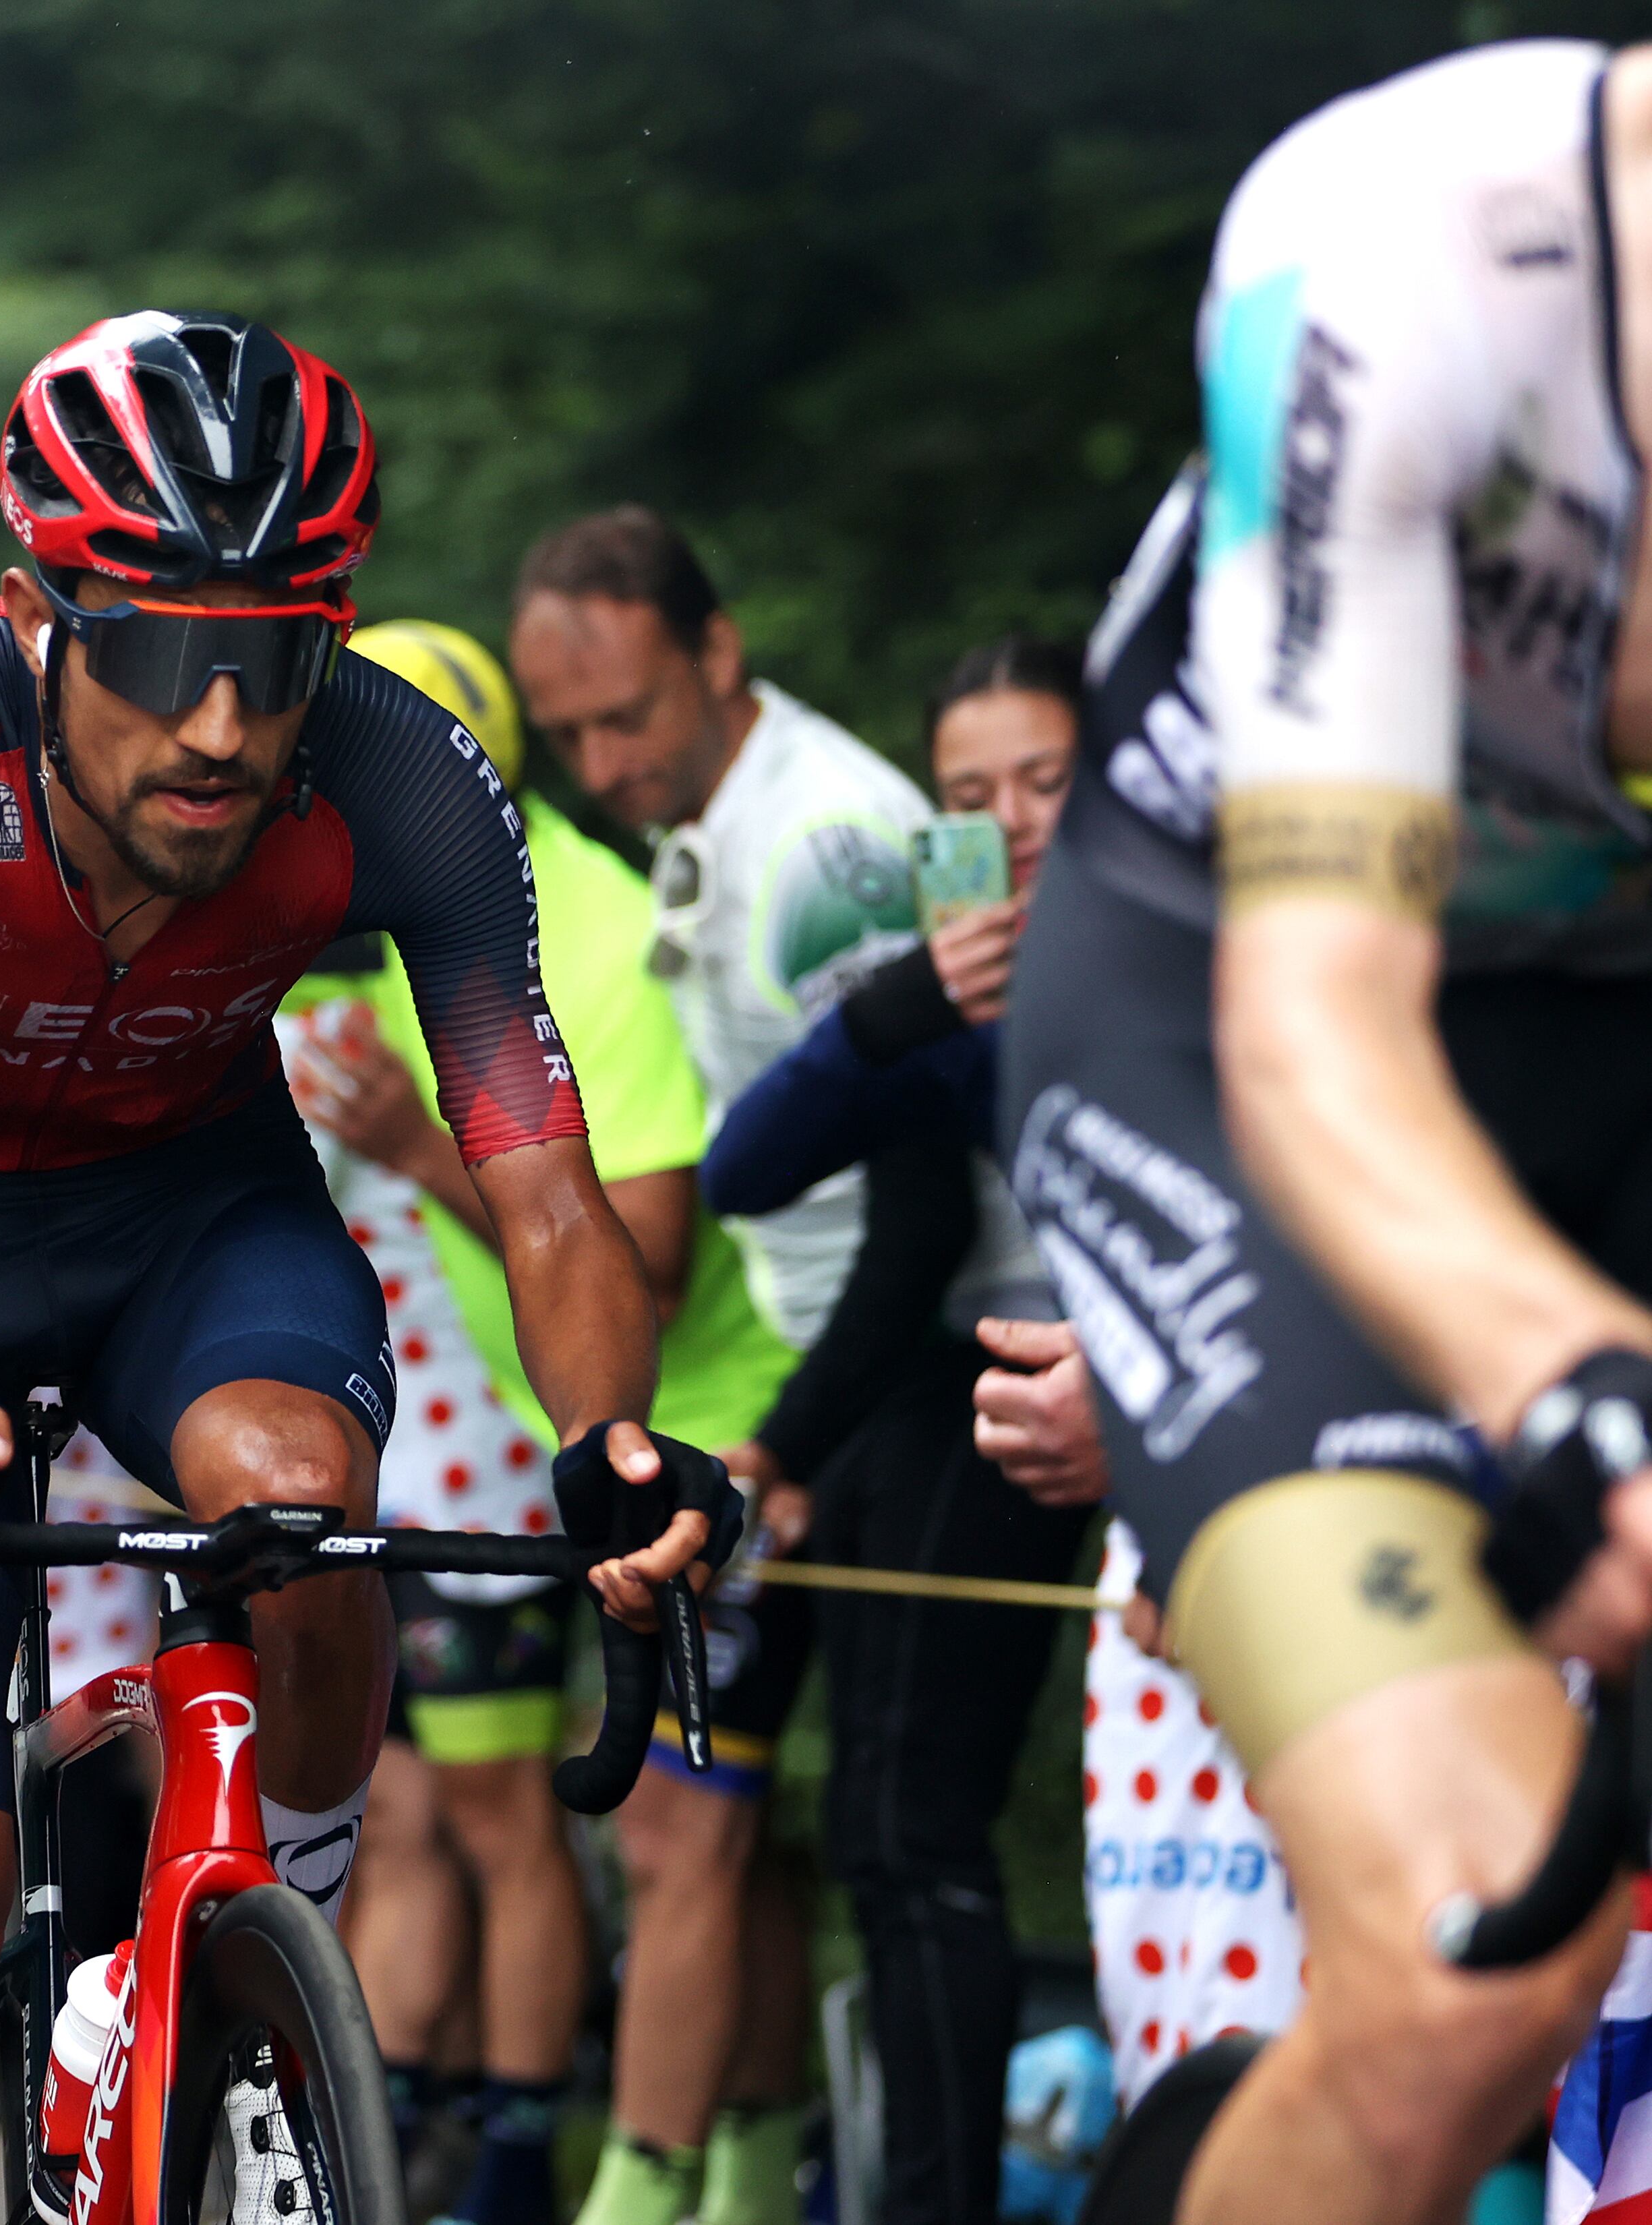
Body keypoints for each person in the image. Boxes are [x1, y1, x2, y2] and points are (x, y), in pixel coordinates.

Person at [0, 310, 726, 2225]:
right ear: (43, 620)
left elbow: (544, 1192)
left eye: (272, 663)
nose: (220, 727)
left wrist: (612, 1436)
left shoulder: (409, 780)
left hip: (188, 1211)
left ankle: (273, 1938)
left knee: (300, 1499)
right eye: (167, 657)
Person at [1003, 38, 1652, 2225]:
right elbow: (1321, 1037)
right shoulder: (1403, 240)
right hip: (1237, 1005)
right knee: (1483, 1947)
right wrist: (1583, 1397)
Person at [287, 620, 795, 2225]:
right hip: (515, 1419)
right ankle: (731, 2162)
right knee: (677, 1841)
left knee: (653, 1839)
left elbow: (634, 1248)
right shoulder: (362, 921)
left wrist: (417, 1146)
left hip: (703, 1416)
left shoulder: (577, 920)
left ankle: (588, 2172)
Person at [510, 506, 931, 2225]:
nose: (605, 763)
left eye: (632, 717)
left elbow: (929, 1191)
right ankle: (755, 2175)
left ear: (720, 652)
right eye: (571, 736)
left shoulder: (830, 842)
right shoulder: (703, 819)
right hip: (800, 1368)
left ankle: (650, 2186)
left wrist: (786, 1432)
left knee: (714, 1823)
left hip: (892, 1366)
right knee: (737, 1812)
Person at [697, 638, 1093, 2225]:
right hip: (993, 1385)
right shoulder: (965, 980)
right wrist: (900, 1004)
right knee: (883, 1820)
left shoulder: (1199, 940)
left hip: (1185, 1403)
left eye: (1049, 781)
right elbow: (748, 1168)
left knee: (911, 1822)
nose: (1012, 823)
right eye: (971, 794)